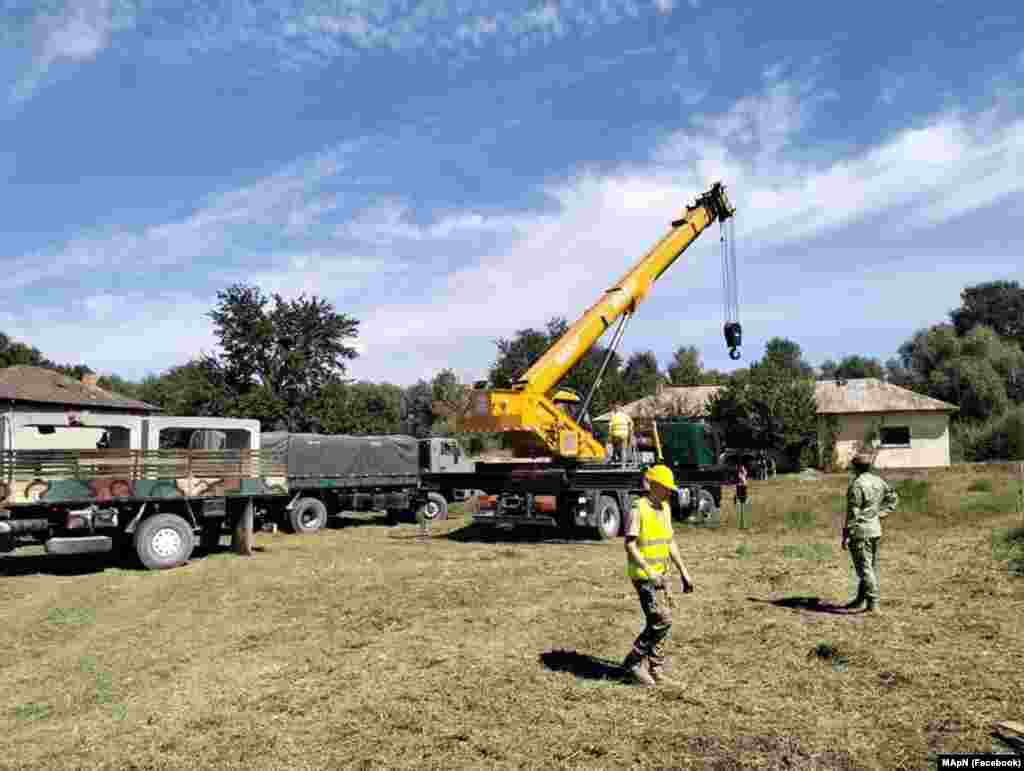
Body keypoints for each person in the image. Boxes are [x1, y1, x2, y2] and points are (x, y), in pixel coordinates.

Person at [621, 465, 694, 686]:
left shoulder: (665, 508)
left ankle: (655, 668)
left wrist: (684, 572)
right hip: (644, 576)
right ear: (654, 486)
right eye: (665, 488)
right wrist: (649, 571)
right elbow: (630, 545)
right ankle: (632, 663)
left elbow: (669, 541)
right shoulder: (638, 509)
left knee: (664, 621)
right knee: (661, 619)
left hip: (662, 576)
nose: (669, 492)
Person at [842, 452, 899, 614]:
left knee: (865, 569)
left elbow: (853, 513)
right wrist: (881, 513)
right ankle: (861, 599)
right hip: (875, 530)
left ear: (855, 467)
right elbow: (893, 498)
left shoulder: (857, 485)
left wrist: (846, 534)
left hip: (860, 532)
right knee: (869, 567)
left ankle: (873, 603)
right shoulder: (878, 481)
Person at [735, 462, 750, 529]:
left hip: (742, 489)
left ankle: (743, 525)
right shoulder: (741, 472)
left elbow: (744, 482)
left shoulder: (743, 472)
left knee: (742, 509)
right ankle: (742, 525)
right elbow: (744, 482)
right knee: (741, 509)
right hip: (741, 489)